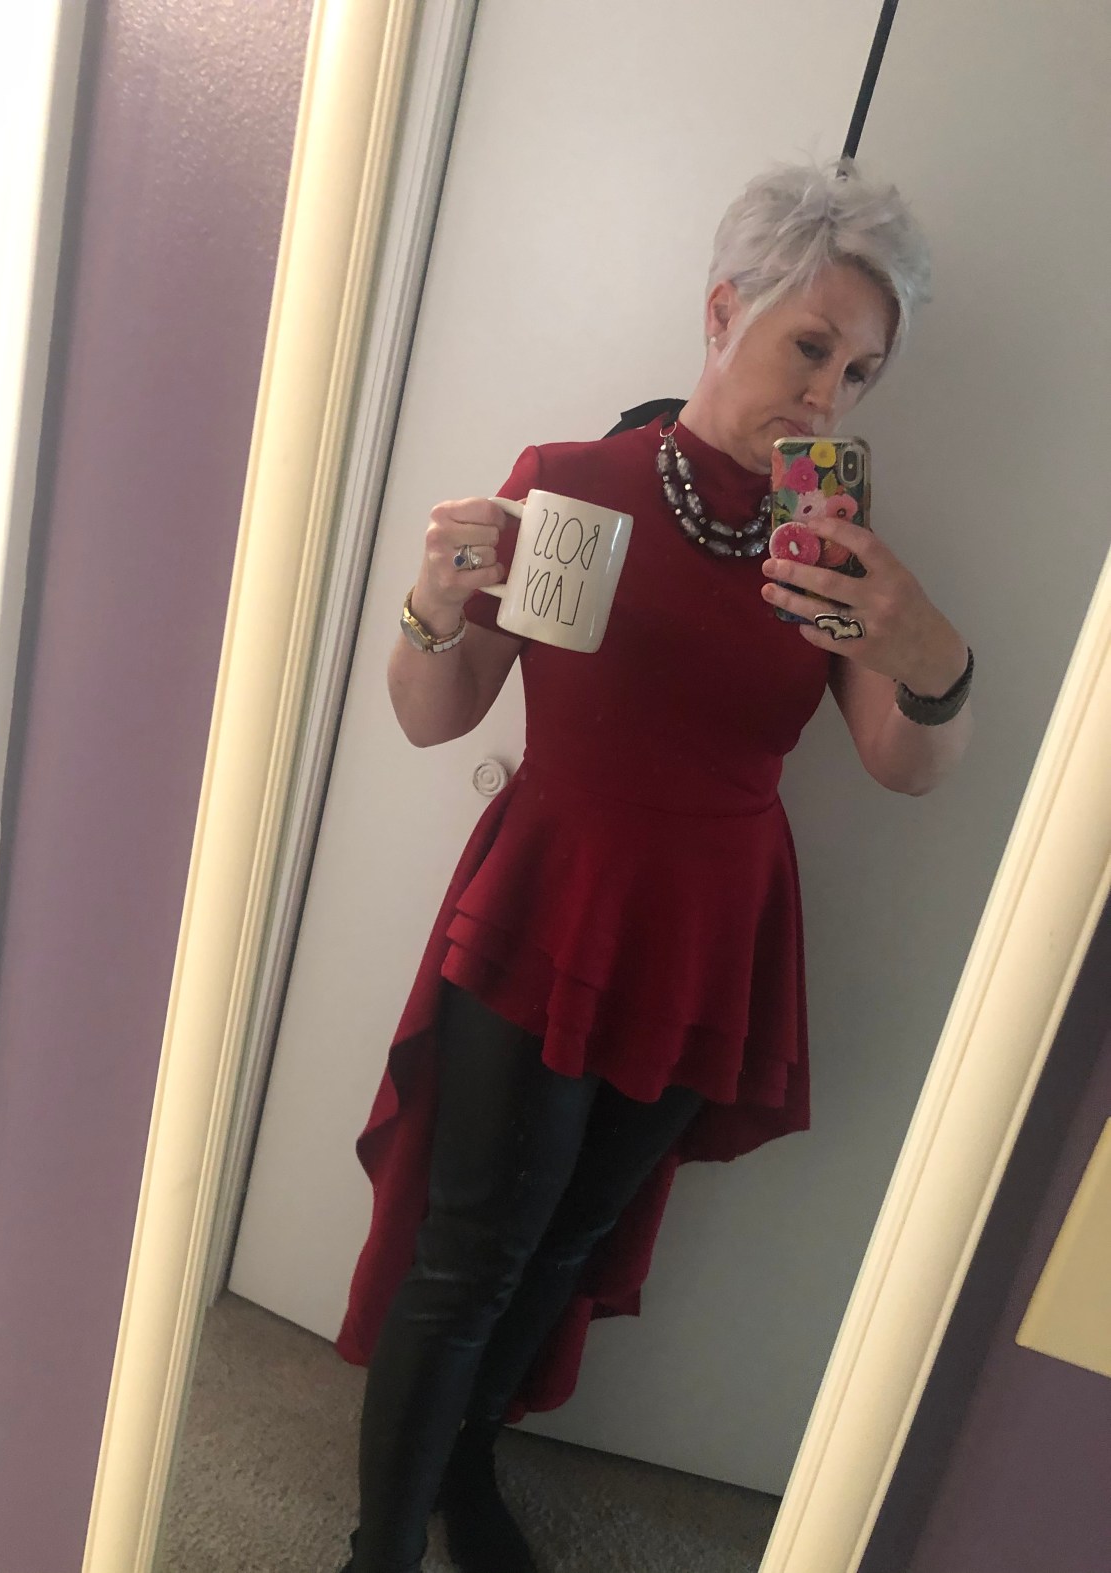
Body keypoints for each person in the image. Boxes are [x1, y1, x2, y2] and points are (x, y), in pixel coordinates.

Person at [334, 159, 973, 1573]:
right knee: (472, 1244)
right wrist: (434, 601)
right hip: (550, 897)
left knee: (569, 1239)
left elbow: (902, 762)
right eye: (811, 346)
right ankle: (378, 1549)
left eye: (860, 373)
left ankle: (467, 1470)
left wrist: (931, 654)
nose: (828, 395)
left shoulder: (831, 555)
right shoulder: (568, 489)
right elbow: (437, 715)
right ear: (723, 310)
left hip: (711, 927)